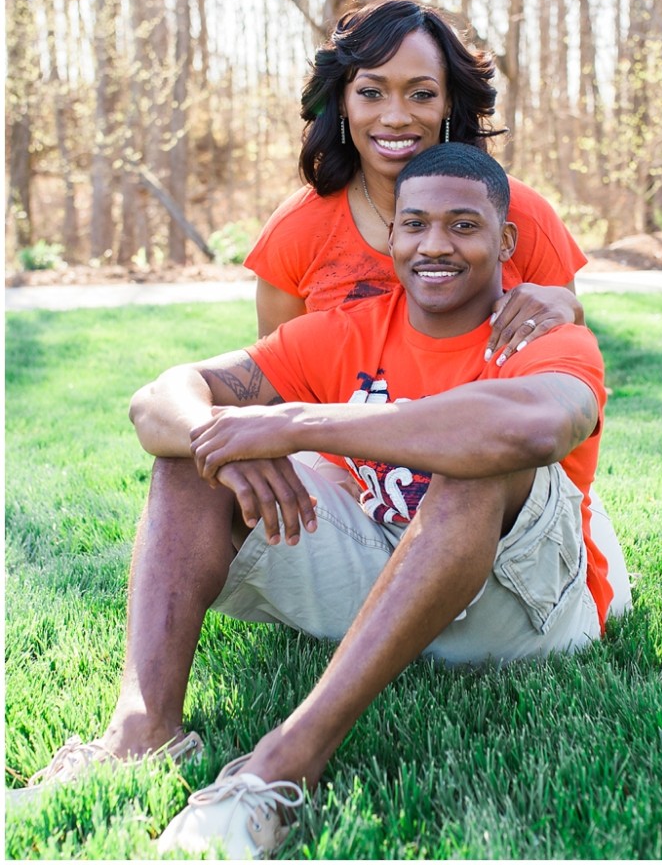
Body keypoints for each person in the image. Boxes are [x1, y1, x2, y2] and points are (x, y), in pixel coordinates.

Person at [8, 145, 622, 859]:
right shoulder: (350, 329)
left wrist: (296, 421)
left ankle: (280, 768)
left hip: (524, 608)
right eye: (415, 224)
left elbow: (534, 426)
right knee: (192, 454)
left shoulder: (546, 334)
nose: (434, 245)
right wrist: (226, 438)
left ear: (505, 241)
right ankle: (143, 733)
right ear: (391, 235)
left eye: (463, 226)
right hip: (394, 569)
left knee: (476, 457)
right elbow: (156, 401)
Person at [245, 0, 631, 608]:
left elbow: (563, 355)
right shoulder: (298, 230)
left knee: (470, 470)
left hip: (494, 488)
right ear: (341, 101)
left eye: (421, 94)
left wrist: (564, 304)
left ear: (450, 102)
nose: (395, 117)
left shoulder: (518, 213)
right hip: (357, 494)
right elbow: (284, 379)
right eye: (371, 93)